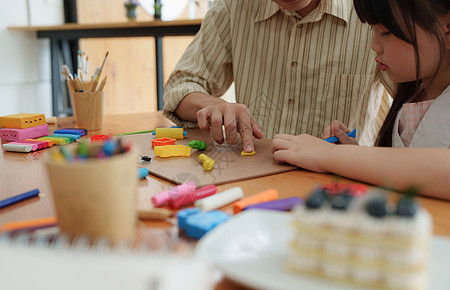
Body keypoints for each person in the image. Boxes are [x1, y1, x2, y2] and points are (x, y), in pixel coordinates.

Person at [272, 0, 450, 200]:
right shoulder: (415, 95)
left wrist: (332, 156)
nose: (374, 45)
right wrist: (352, 155)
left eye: (385, 32)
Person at [163, 0, 394, 153]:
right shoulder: (235, 6)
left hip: (341, 185)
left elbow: (419, 103)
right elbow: (179, 88)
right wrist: (214, 105)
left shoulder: (372, 11)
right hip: (252, 177)